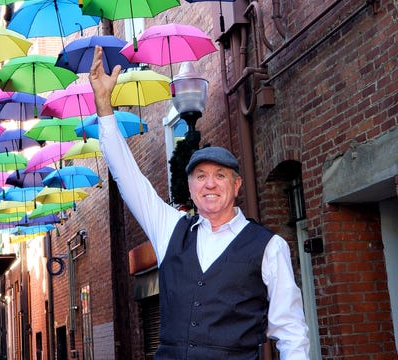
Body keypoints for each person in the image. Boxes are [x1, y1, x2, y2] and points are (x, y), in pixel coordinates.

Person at [90, 46, 310, 360]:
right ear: (191, 189)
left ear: (236, 186)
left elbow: (291, 332)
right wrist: (104, 107)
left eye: (220, 175)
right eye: (200, 176)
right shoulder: (170, 228)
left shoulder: (269, 246)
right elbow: (128, 178)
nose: (209, 183)